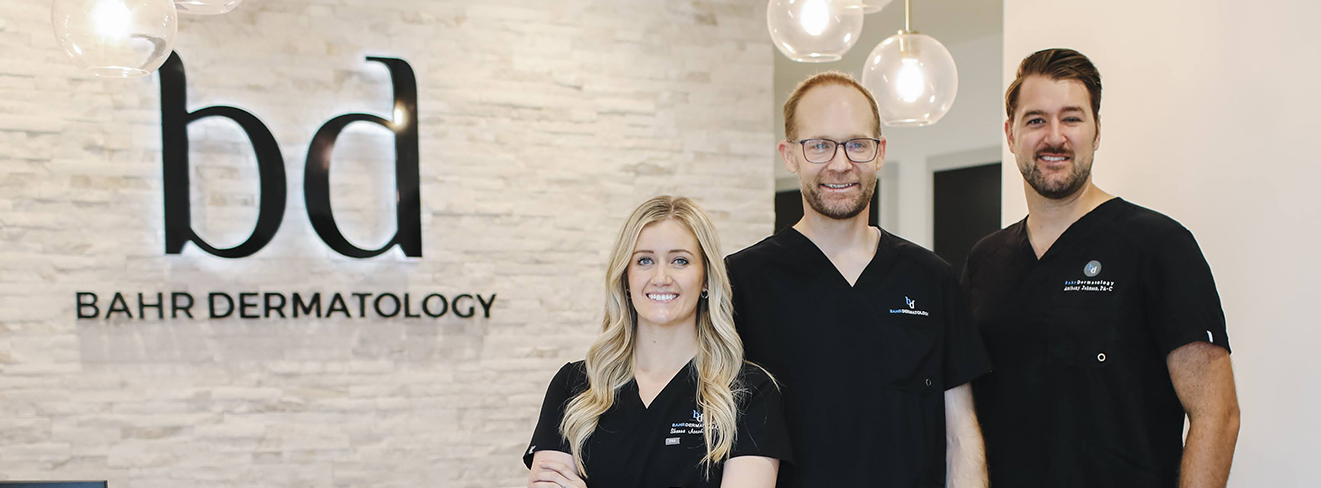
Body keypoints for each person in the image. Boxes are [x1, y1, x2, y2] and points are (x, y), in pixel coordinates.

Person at [962, 48, 1240, 487]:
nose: (1054, 136)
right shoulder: (985, 260)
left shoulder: (1158, 245)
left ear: (1096, 132)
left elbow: (1216, 414)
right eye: (1035, 120)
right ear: (1011, 135)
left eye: (1071, 118)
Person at [726, 71, 992, 488]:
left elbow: (960, 436)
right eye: (819, 145)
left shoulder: (932, 280)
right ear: (789, 155)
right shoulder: (740, 281)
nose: (840, 163)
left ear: (880, 152)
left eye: (857, 144)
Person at [525, 196, 789, 488]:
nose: (661, 277)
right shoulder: (574, 386)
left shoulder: (748, 393)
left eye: (680, 260)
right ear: (626, 277)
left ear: (705, 279)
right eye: (645, 260)